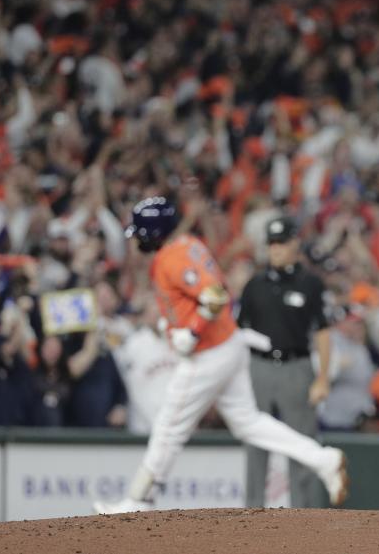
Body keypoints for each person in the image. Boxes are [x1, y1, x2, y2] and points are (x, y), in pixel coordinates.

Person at [94, 197, 347, 514]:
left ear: (153, 233)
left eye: (140, 233)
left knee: (169, 427)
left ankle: (137, 500)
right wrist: (176, 324)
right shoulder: (189, 244)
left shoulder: (172, 257)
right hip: (228, 345)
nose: (137, 240)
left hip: (208, 353)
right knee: (248, 423)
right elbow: (208, 291)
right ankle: (322, 458)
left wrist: (194, 330)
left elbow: (215, 293)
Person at [237, 215, 334, 508]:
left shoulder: (311, 284)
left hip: (297, 367)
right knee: (255, 442)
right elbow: (240, 334)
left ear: (295, 244)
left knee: (301, 442)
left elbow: (322, 332)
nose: (276, 249)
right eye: (272, 243)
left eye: (281, 243)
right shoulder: (254, 285)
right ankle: (251, 512)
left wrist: (323, 377)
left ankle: (303, 516)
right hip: (259, 368)